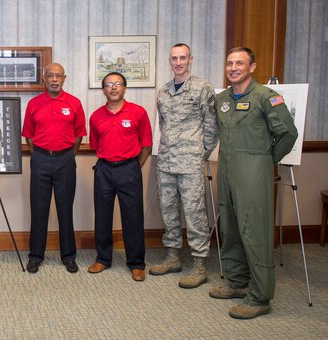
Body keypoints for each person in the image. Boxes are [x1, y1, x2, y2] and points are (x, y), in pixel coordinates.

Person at [209, 47, 298, 319]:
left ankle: (260, 296)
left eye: (240, 63)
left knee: (255, 232)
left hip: (254, 170)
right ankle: (237, 282)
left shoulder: (266, 98)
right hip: (226, 169)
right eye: (229, 63)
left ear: (252, 67)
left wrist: (265, 160)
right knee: (231, 226)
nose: (233, 67)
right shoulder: (222, 99)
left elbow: (287, 134)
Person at [149, 44, 218, 289]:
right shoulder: (164, 91)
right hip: (166, 161)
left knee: (195, 212)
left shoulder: (203, 88)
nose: (178, 62)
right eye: (174, 58)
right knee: (168, 210)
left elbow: (211, 128)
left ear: (190, 59)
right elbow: (164, 125)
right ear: (169, 61)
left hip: (190, 162)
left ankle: (199, 265)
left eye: (182, 58)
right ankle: (172, 257)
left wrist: (200, 154)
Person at [87, 72, 152, 282]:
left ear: (125, 88)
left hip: (129, 169)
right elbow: (95, 145)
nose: (113, 88)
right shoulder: (96, 116)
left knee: (133, 217)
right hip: (104, 170)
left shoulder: (138, 112)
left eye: (117, 84)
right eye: (108, 84)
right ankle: (103, 259)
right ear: (103, 90)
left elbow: (147, 146)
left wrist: (133, 167)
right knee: (102, 216)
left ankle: (136, 263)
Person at [22, 63, 86, 274]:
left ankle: (68, 256)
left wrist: (66, 155)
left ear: (64, 78)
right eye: (50, 75)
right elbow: (29, 136)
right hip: (40, 159)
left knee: (65, 209)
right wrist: (40, 154)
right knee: (39, 209)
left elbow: (78, 135)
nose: (54, 79)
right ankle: (35, 256)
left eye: (58, 75)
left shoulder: (74, 103)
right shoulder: (33, 104)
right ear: (44, 79)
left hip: (65, 160)